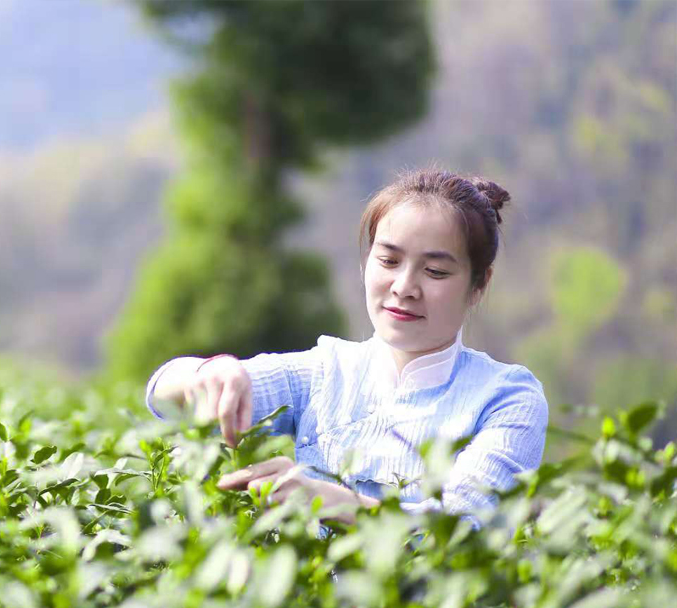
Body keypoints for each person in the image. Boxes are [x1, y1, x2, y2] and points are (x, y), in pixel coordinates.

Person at [144, 169, 548, 524]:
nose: (404, 287)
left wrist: (329, 501)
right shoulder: (326, 371)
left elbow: (466, 529)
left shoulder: (505, 397)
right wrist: (212, 373)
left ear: (479, 284)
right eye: (389, 261)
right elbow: (164, 395)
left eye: (435, 271)